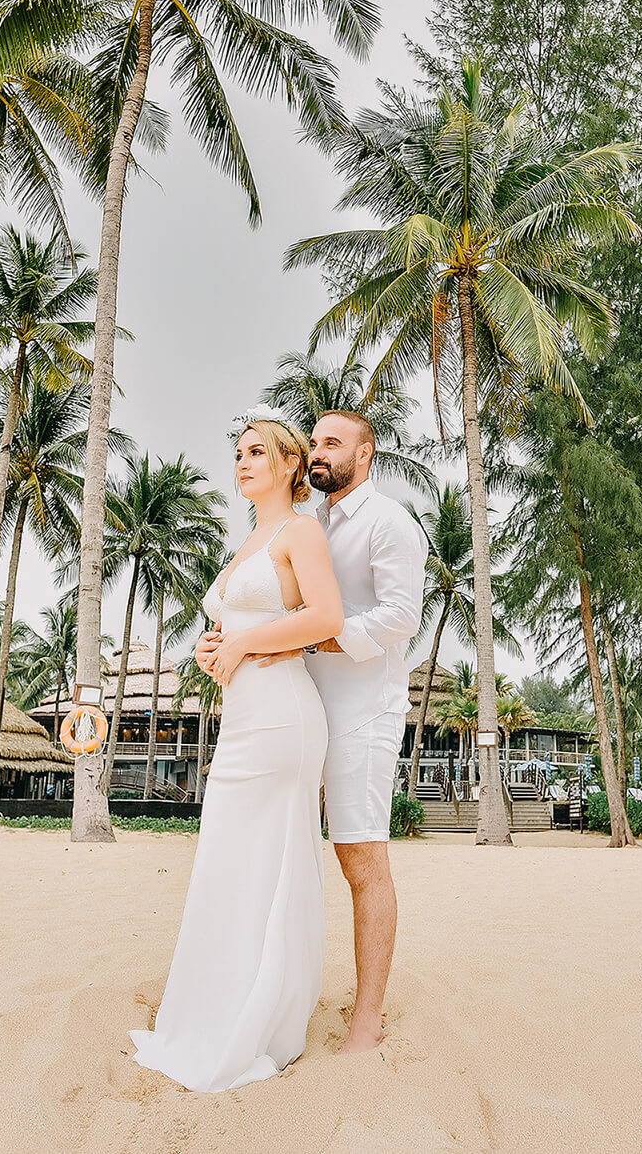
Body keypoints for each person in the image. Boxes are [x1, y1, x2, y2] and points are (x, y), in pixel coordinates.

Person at [128, 414, 345, 1092]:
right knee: (230, 855)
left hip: (284, 715)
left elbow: (327, 616)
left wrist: (245, 644)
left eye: (257, 453)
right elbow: (239, 623)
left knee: (268, 856)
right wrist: (213, 645)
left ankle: (266, 1016)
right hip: (246, 715)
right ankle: (221, 1004)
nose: (243, 463)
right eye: (239, 454)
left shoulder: (300, 531)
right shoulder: (249, 539)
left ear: (289, 464)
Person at [205, 408, 424, 1054]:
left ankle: (368, 1017)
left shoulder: (390, 524)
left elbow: (400, 617)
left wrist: (320, 636)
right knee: (282, 847)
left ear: (367, 453)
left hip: (363, 711)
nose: (322, 451)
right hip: (298, 708)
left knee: (360, 855)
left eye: (335, 442)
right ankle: (269, 990)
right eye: (317, 441)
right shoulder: (311, 524)